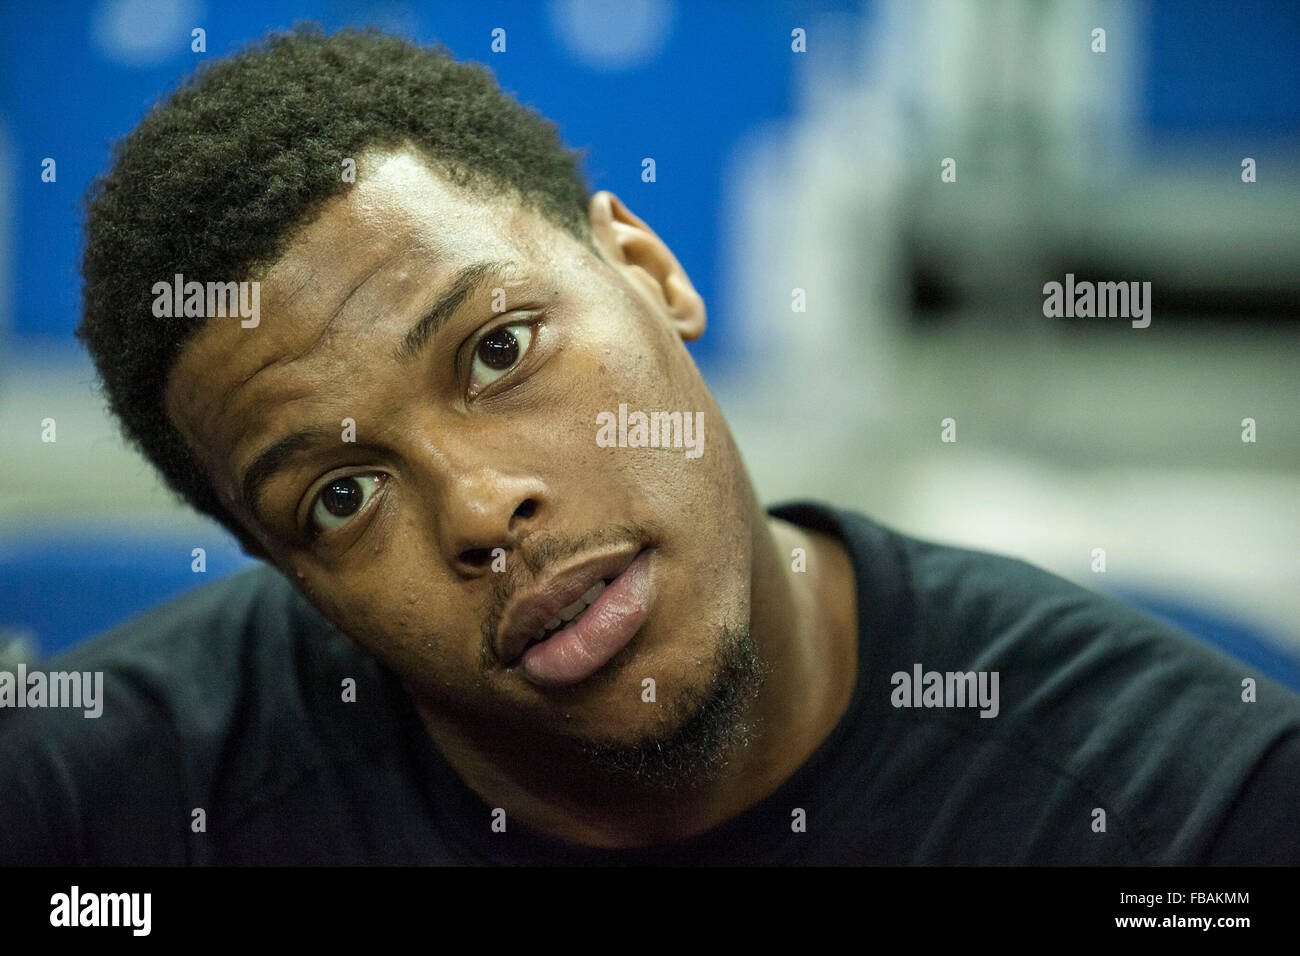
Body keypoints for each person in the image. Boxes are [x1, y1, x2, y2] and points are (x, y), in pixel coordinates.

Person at [2, 26, 1297, 865]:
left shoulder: (1187, 817)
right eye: (341, 496)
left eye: (499, 351)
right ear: (289, 579)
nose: (478, 509)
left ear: (649, 269)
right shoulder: (92, 820)